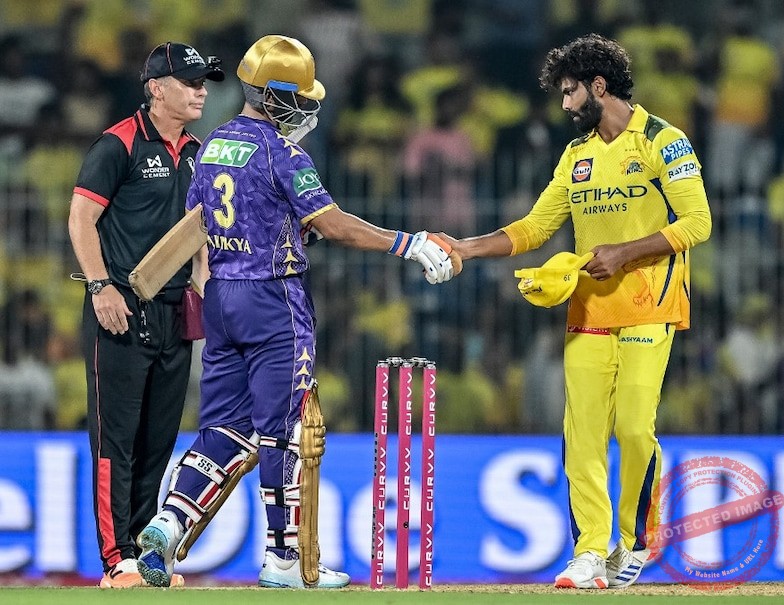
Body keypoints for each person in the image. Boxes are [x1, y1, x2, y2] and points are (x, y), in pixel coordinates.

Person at [135, 34, 456, 589]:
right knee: (283, 432)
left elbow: (202, 227)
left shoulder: (210, 146)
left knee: (225, 428)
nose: (307, 109)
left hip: (221, 297)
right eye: (301, 98)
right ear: (277, 95)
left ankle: (168, 521)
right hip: (274, 302)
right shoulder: (282, 153)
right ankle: (283, 559)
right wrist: (409, 243)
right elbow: (335, 225)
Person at [444, 33, 712, 589]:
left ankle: (634, 541)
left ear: (599, 86)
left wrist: (623, 253)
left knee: (634, 429)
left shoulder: (664, 141)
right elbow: (535, 228)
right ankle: (589, 550)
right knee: (583, 434)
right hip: (587, 310)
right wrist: (466, 247)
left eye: (570, 92)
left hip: (649, 307)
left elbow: (698, 223)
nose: (565, 105)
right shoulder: (576, 155)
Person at [67, 41, 225, 588]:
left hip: (174, 312)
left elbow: (198, 232)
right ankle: (117, 560)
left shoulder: (197, 152)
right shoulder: (119, 144)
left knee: (157, 441)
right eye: (190, 82)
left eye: (203, 83)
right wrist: (100, 287)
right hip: (119, 309)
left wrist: (205, 291)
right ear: (156, 88)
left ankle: (144, 555)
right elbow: (81, 219)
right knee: (116, 440)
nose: (201, 92)